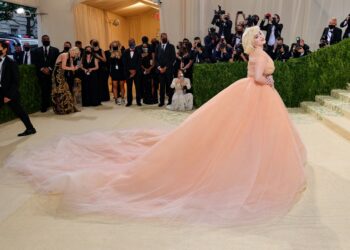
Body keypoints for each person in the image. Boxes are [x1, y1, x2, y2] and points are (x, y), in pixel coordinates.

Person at [5, 26, 306, 225]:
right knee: (245, 130)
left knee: (251, 132)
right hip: (256, 93)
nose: (260, 39)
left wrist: (268, 79)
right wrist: (268, 79)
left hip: (261, 97)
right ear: (251, 40)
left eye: (260, 36)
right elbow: (255, 77)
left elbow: (258, 74)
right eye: (256, 36)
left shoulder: (258, 52)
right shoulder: (255, 54)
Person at [0, 41, 36, 136]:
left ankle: (30, 128)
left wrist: (9, 95)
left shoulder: (11, 63)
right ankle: (30, 128)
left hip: (9, 93)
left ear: (5, 49)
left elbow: (15, 81)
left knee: (19, 111)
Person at [33, 35, 60, 112]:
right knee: (44, 90)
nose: (46, 40)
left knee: (52, 90)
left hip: (52, 74)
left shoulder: (55, 50)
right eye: (44, 39)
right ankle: (44, 106)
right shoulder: (36, 51)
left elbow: (56, 61)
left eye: (47, 39)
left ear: (49, 40)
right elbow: (35, 61)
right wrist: (42, 69)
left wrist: (49, 69)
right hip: (41, 74)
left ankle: (54, 105)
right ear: (41, 40)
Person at [51, 47, 80, 114]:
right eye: (75, 54)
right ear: (72, 51)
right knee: (59, 90)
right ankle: (60, 109)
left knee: (66, 89)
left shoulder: (71, 58)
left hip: (62, 74)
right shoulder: (64, 55)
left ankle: (68, 108)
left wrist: (76, 67)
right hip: (57, 74)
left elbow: (72, 68)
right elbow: (64, 66)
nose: (75, 55)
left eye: (76, 54)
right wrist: (72, 68)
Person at [155, 33, 176, 107]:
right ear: (161, 38)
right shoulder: (157, 47)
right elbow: (156, 59)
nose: (164, 38)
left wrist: (165, 67)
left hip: (168, 70)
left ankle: (170, 101)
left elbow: (173, 59)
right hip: (160, 71)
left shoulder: (171, 46)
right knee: (162, 87)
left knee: (170, 86)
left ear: (167, 38)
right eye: (163, 37)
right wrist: (159, 68)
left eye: (165, 37)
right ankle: (161, 102)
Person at [123, 38, 142, 107]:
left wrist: (134, 71)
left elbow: (139, 62)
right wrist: (130, 71)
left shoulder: (138, 51)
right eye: (130, 42)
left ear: (135, 42)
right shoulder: (125, 51)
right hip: (128, 73)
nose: (132, 43)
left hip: (137, 72)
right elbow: (124, 63)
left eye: (133, 42)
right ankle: (129, 102)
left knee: (138, 87)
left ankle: (138, 101)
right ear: (128, 43)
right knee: (129, 88)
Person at [106, 41, 126, 105]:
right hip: (114, 71)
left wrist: (120, 56)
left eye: (116, 45)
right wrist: (112, 56)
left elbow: (124, 62)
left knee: (122, 85)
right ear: (111, 46)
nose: (115, 46)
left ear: (118, 46)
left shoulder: (122, 52)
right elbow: (108, 63)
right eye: (113, 45)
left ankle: (122, 98)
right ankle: (116, 99)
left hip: (121, 70)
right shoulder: (109, 53)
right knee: (114, 85)